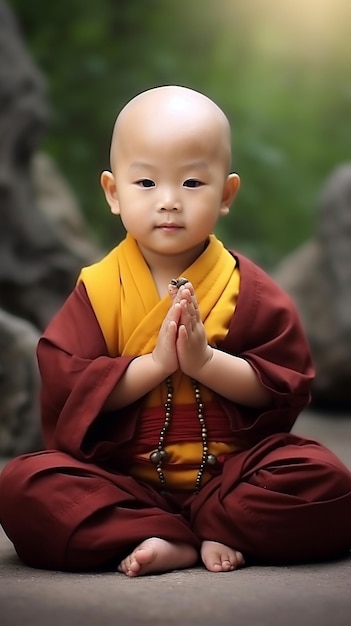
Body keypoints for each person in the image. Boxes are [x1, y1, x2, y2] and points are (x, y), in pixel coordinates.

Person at [0, 85, 350, 577]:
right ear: (113, 193)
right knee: (22, 485)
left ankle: (193, 526)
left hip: (232, 475)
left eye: (191, 183)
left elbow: (284, 384)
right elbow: (68, 384)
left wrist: (205, 362)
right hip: (124, 479)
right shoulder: (99, 289)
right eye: (145, 183)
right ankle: (184, 533)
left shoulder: (247, 288)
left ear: (226, 194)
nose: (168, 202)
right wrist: (155, 366)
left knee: (327, 480)